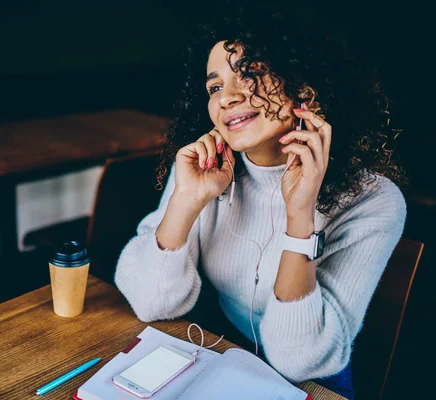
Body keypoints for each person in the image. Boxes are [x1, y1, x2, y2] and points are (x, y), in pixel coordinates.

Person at [114, 4, 407, 399]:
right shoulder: (207, 167)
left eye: (249, 74)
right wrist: (187, 199)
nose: (227, 98)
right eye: (214, 86)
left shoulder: (374, 201)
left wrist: (301, 212)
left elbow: (299, 359)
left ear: (304, 89)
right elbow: (152, 302)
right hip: (221, 357)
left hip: (316, 385)